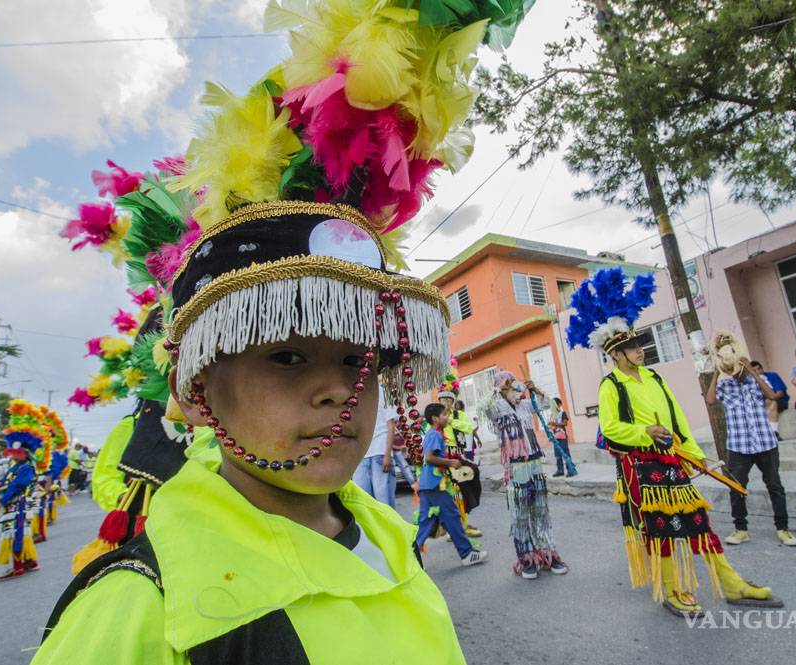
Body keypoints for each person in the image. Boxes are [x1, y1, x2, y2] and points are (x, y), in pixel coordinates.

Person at [33, 2, 535, 660]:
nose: (339, 389)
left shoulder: (384, 528)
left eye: (359, 357)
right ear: (199, 383)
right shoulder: (141, 608)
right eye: (289, 354)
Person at [566, 267, 781, 618]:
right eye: (631, 347)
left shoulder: (655, 378)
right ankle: (670, 589)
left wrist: (698, 455)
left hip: (672, 462)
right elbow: (609, 429)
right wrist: (644, 433)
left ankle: (731, 584)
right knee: (661, 530)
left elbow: (677, 420)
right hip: (640, 469)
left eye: (639, 344)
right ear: (616, 354)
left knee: (698, 523)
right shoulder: (611, 386)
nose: (639, 350)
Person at [706, 350, 796, 547]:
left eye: (736, 366)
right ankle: (741, 529)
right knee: (737, 488)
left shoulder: (758, 380)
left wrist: (751, 370)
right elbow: (711, 400)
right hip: (739, 446)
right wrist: (716, 373)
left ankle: (783, 529)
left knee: (775, 486)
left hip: (765, 443)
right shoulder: (725, 385)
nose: (734, 371)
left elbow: (772, 395)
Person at [481, 371, 568, 580]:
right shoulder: (498, 409)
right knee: (520, 516)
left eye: (516, 387)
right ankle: (527, 559)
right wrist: (500, 389)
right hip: (516, 467)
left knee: (540, 512)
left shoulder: (527, 406)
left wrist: (535, 389)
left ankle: (548, 553)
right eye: (511, 388)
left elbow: (551, 406)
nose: (516, 392)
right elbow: (484, 407)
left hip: (535, 465)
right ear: (502, 391)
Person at [414, 403, 487, 567]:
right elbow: (430, 458)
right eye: (444, 415)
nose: (447, 417)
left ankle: (410, 557)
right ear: (435, 419)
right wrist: (450, 462)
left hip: (428, 485)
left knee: (427, 523)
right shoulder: (435, 435)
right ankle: (467, 554)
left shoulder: (434, 434)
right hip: (434, 485)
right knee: (452, 516)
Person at [0, 399, 43, 580]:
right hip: (13, 505)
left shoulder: (26, 468)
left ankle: (18, 566)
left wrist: (0, 503)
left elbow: (16, 486)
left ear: (26, 453)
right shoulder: (15, 467)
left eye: (18, 452)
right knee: (17, 533)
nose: (14, 454)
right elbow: (5, 483)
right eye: (13, 452)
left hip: (18, 505)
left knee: (15, 534)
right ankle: (29, 561)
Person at [438, 390, 483, 537]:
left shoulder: (459, 415)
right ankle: (454, 527)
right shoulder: (436, 416)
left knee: (470, 478)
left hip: (457, 455)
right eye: (442, 399)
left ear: (452, 402)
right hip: (443, 456)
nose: (445, 402)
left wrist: (451, 421)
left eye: (448, 400)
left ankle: (463, 523)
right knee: (450, 492)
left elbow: (469, 428)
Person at [352, 382, 399, 508]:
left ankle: (389, 528)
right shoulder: (354, 394)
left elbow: (391, 426)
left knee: (383, 502)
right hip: (361, 454)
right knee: (363, 501)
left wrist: (387, 455)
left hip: (379, 452)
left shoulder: (383, 392)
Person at [750, 360, 788, 439]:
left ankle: (774, 432)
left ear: (762, 368)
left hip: (780, 401)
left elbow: (780, 393)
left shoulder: (772, 376)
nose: (758, 372)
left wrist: (772, 398)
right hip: (762, 404)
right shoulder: (750, 382)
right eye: (754, 371)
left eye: (759, 369)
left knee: (772, 402)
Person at [548, 397, 578, 477]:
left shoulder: (562, 413)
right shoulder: (551, 415)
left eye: (554, 404)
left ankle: (571, 470)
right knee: (557, 455)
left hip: (562, 437)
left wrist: (555, 424)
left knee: (565, 453)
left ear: (559, 405)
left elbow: (565, 423)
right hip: (555, 438)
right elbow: (550, 426)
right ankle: (560, 470)